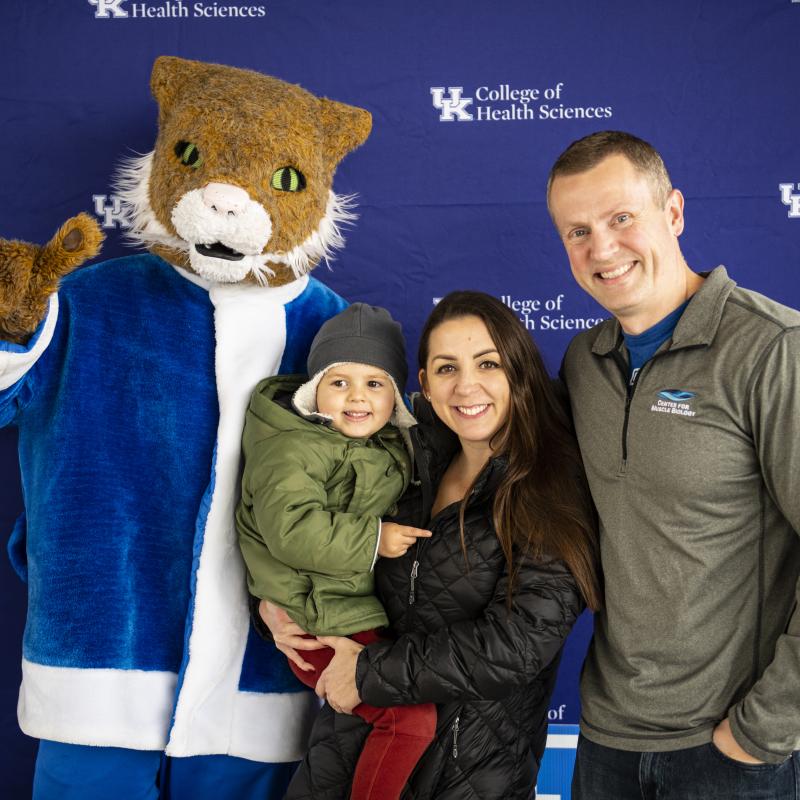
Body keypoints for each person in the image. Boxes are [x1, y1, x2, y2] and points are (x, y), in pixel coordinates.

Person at [259, 290, 601, 798]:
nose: (467, 386)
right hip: (343, 755)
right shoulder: (399, 465)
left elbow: (518, 645)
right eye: (446, 369)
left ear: (519, 371)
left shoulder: (551, 483)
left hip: (466, 777)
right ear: (421, 384)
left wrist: (370, 673)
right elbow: (312, 543)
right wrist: (272, 606)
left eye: (488, 364)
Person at [548, 130, 800, 799]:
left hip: (731, 752)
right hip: (605, 740)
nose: (601, 249)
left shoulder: (773, 349)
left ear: (675, 213)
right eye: (577, 231)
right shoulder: (584, 363)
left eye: (621, 218)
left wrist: (765, 727)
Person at [236, 303, 437, 800]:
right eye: (339, 382)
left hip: (351, 610)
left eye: (375, 384)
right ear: (313, 392)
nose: (357, 398)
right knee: (407, 721)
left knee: (394, 726)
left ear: (396, 396)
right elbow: (290, 530)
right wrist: (375, 538)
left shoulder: (387, 445)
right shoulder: (292, 449)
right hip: (314, 620)